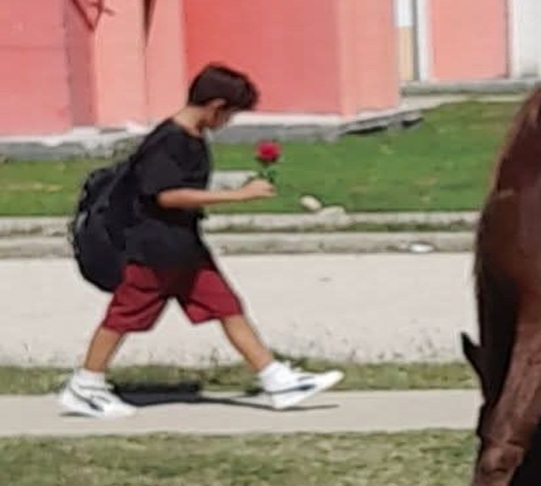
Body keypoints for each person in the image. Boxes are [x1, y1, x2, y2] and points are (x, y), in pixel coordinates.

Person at [58, 64, 343, 419]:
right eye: (230, 114)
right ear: (215, 106)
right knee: (124, 315)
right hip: (154, 249)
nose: (228, 122)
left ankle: (277, 380)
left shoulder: (189, 137)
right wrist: (239, 196)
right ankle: (85, 385)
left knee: (226, 306)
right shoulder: (170, 140)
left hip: (182, 246)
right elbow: (165, 195)